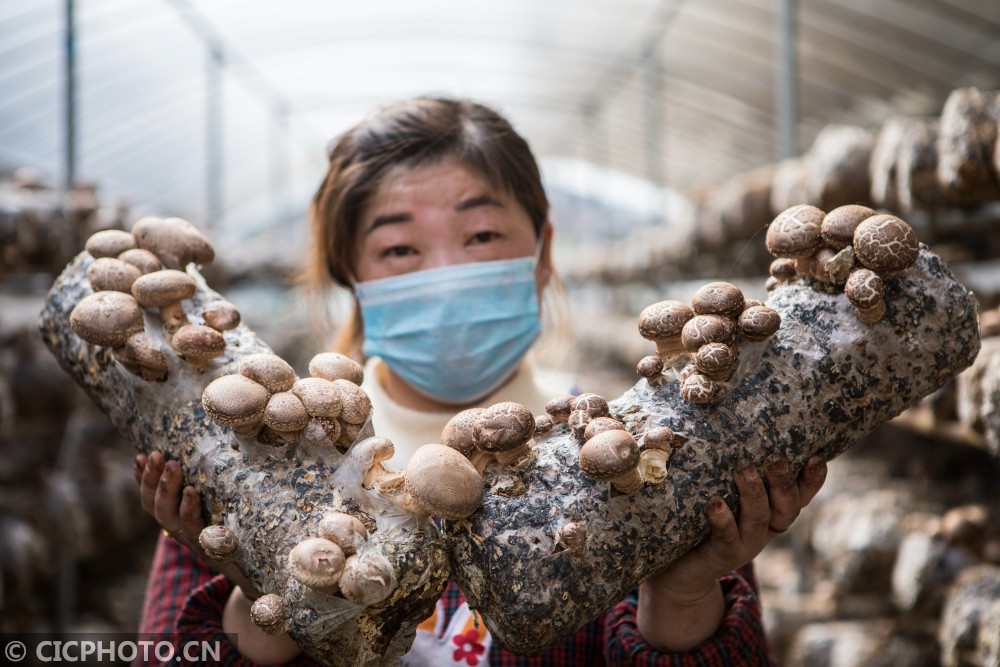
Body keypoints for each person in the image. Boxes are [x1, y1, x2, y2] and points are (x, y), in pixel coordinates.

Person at [133, 96, 828, 666]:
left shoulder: (646, 456)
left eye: (482, 236)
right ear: (352, 276)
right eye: (400, 247)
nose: (445, 276)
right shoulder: (257, 466)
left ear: (543, 251)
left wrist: (679, 592)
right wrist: (274, 589)